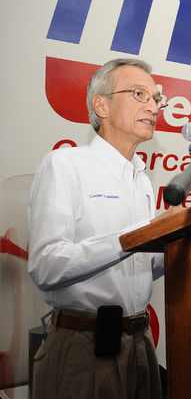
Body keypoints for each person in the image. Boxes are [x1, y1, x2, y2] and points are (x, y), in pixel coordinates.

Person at [28, 58, 177, 399]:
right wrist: (136, 237)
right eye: (139, 94)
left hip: (141, 343)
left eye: (156, 98)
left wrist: (176, 240)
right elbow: (47, 266)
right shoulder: (65, 164)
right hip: (84, 345)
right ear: (101, 105)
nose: (153, 107)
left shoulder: (141, 178)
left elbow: (137, 265)